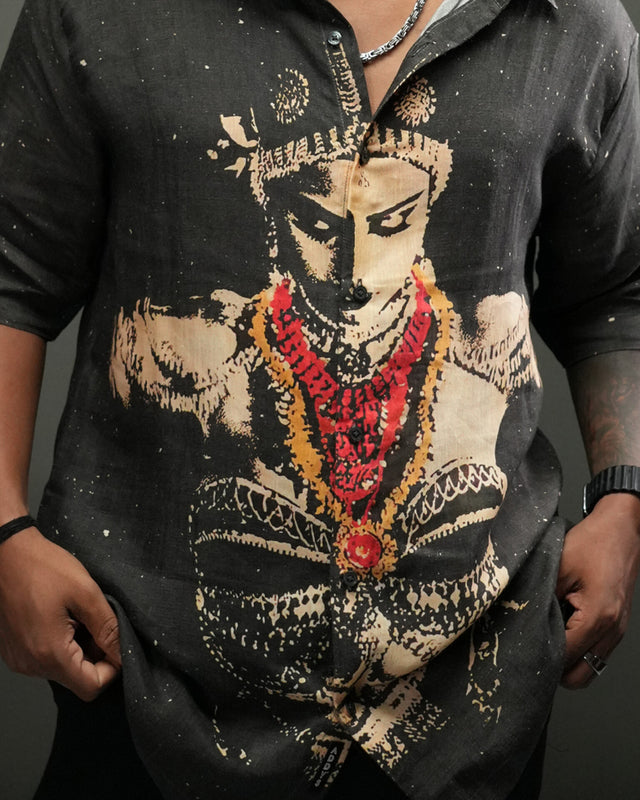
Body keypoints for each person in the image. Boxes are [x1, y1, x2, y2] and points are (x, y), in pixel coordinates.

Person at [1, 0, 639, 798]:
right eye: (313, 224)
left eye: (396, 221)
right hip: (150, 682)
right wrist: (3, 529)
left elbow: (616, 295)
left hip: (471, 696)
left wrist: (624, 500)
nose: (354, 264)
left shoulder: (574, 24)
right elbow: (12, 272)